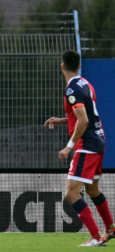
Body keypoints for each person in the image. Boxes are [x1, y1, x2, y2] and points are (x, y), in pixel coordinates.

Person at [44, 50, 115, 246]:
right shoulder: (86, 83)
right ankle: (110, 228)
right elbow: (86, 115)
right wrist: (64, 120)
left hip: (87, 146)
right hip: (98, 142)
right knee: (92, 189)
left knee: (71, 193)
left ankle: (96, 237)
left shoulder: (71, 89)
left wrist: (68, 147)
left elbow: (83, 120)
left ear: (62, 67)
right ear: (79, 66)